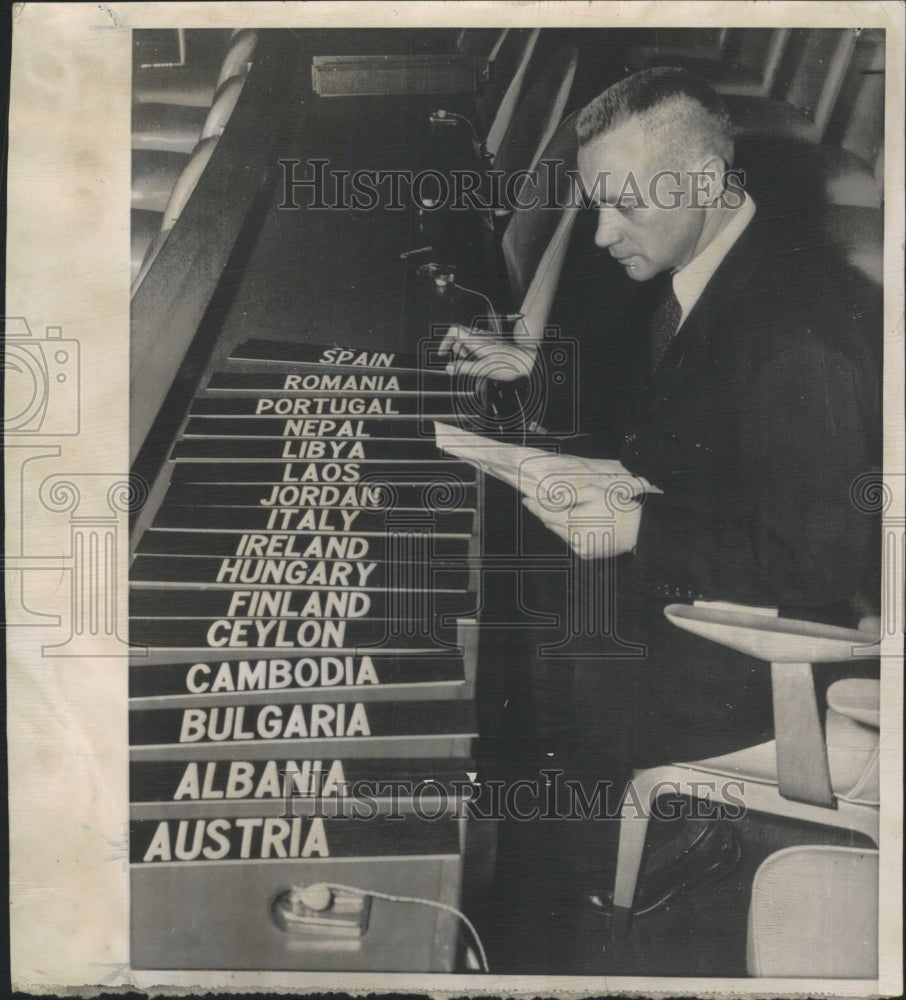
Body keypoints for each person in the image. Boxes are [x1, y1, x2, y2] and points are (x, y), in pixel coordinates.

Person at [442, 67, 881, 916]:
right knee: (493, 591)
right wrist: (540, 373)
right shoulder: (726, 260)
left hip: (743, 662)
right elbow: (687, 417)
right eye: (595, 205)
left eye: (625, 206)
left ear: (706, 180)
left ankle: (530, 909)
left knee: (489, 668)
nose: (603, 234)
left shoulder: (798, 337)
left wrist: (639, 529)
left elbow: (817, 565)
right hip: (697, 601)